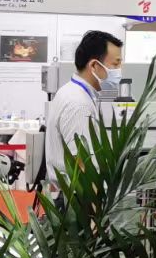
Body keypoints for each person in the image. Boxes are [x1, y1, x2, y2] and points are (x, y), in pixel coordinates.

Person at [45, 30, 122, 180]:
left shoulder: (72, 92)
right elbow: (82, 167)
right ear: (94, 65)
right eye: (115, 64)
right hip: (78, 193)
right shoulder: (79, 104)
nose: (119, 71)